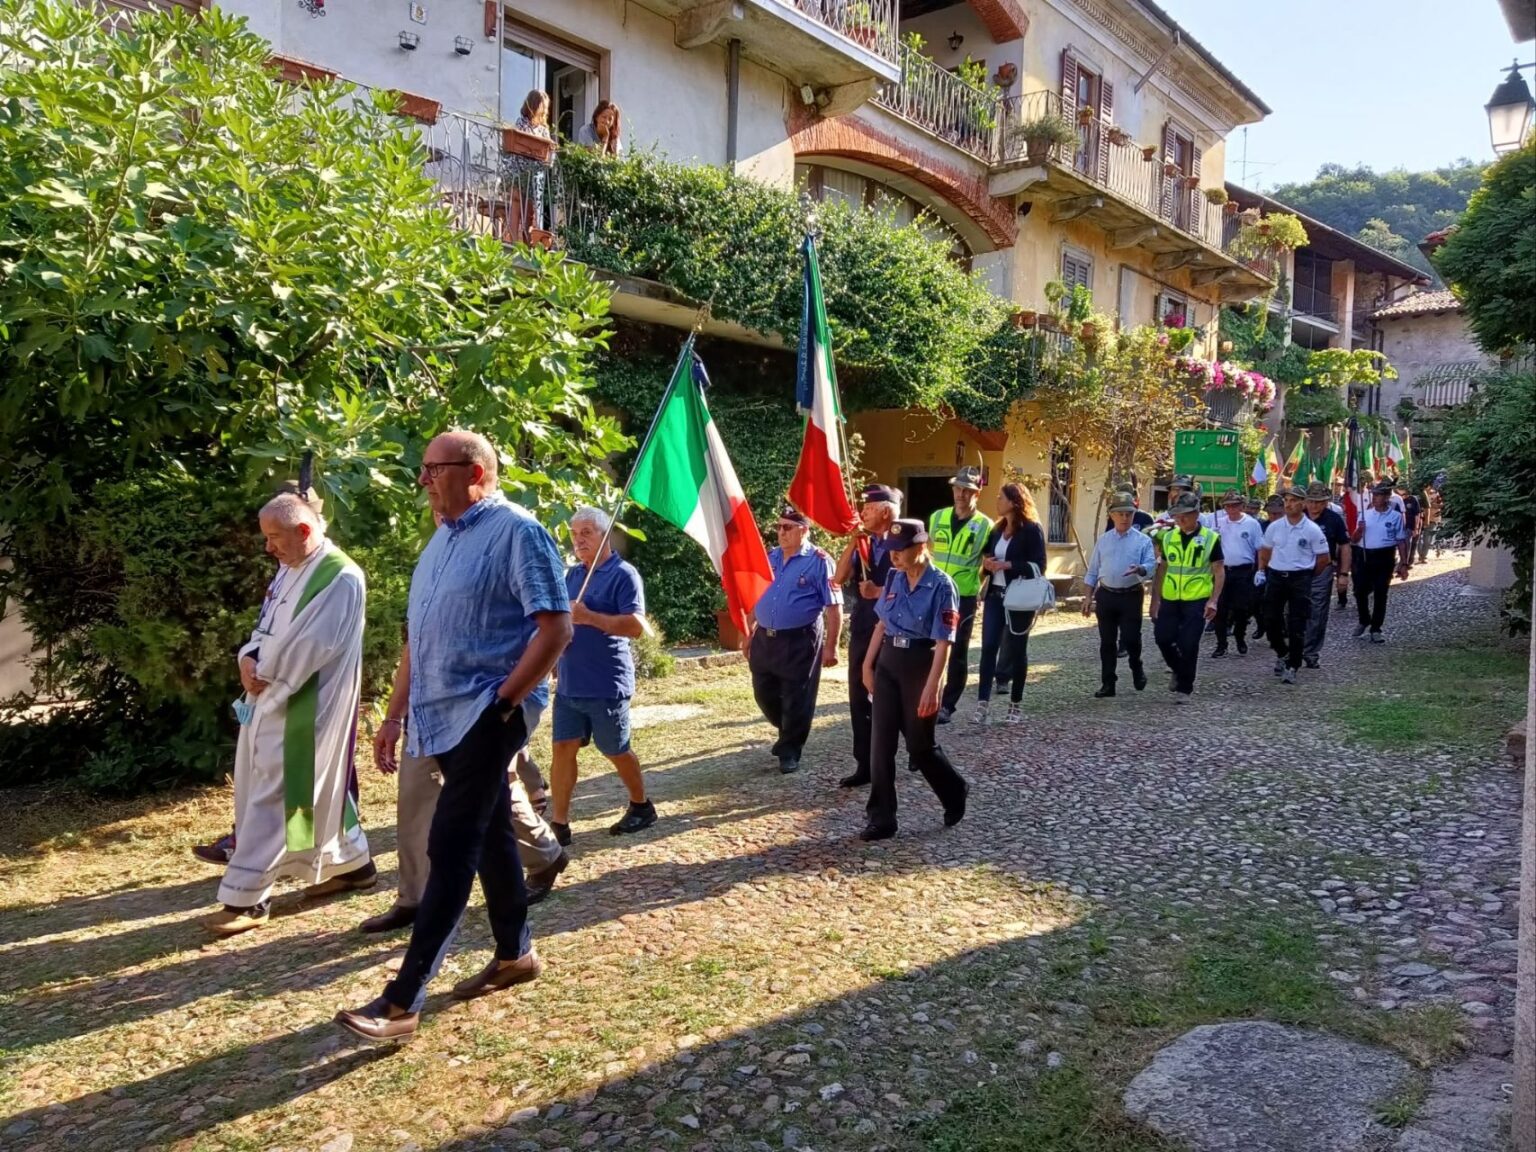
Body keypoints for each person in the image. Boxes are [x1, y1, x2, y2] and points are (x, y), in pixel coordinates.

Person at [336, 430, 572, 1042]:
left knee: (452, 840)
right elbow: (419, 639)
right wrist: (394, 716)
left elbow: (556, 629)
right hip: (437, 716)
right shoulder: (439, 542)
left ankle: (402, 999)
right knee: (492, 831)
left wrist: (506, 700)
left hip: (487, 711)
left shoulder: (518, 531)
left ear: (474, 472)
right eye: (423, 469)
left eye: (433, 469)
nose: (423, 480)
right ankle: (516, 954)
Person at [204, 494, 374, 934]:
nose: (268, 548)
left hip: (304, 702)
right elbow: (267, 627)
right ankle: (349, 864)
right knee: (307, 792)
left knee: (276, 794)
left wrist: (266, 675)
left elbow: (313, 647)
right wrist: (248, 656)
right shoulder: (288, 569)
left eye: (274, 538)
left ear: (303, 532)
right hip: (270, 692)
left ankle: (246, 897)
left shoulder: (341, 577)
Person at [359, 661, 570, 934]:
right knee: (414, 800)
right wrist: (392, 718)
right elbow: (415, 649)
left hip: (482, 703)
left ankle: (545, 855)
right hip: (425, 710)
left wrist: (509, 706)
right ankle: (414, 898)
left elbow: (549, 635)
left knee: (491, 796)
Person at [549, 506, 657, 842]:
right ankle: (560, 824)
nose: (578, 540)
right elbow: (564, 620)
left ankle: (641, 806)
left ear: (604, 535)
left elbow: (637, 627)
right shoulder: (572, 576)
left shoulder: (624, 575)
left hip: (606, 683)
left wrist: (590, 617)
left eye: (587, 533)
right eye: (574, 534)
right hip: (570, 683)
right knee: (562, 749)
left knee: (615, 749)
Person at [860, 519, 968, 842]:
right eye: (891, 550)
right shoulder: (894, 578)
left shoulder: (942, 585)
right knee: (880, 745)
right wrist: (867, 665)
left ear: (920, 548)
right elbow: (881, 624)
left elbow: (945, 641)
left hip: (921, 664)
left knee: (920, 747)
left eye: (900, 551)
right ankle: (882, 819)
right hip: (889, 664)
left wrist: (933, 686)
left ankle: (954, 790)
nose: (893, 557)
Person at [745, 505, 840, 775]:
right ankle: (788, 729)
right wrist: (748, 630)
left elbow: (834, 607)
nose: (781, 532)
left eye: (787, 527)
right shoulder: (769, 557)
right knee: (763, 692)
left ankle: (790, 750)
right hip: (766, 637)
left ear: (804, 530)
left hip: (800, 639)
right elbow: (754, 596)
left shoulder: (820, 561)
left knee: (798, 696)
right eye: (778, 527)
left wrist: (831, 647)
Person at [832, 484, 900, 789]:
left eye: (869, 509)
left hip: (896, 629)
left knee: (892, 696)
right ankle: (864, 763)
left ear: (886, 511)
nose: (863, 513)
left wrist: (879, 592)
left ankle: (910, 749)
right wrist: (851, 544)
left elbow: (915, 582)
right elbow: (838, 577)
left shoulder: (905, 539)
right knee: (859, 695)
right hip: (863, 627)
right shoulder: (864, 543)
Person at [973, 482, 1047, 724]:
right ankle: (982, 704)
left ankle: (1015, 704)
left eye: (1001, 497)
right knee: (988, 648)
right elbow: (986, 555)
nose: (997, 500)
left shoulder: (1031, 530)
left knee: (1016, 650)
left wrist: (1009, 565)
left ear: (1015, 502)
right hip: (995, 595)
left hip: (1019, 599)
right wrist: (988, 564)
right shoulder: (997, 529)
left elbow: (1039, 566)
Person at [928, 467, 993, 724]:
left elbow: (988, 561)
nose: (961, 494)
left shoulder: (986, 526)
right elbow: (926, 553)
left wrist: (983, 587)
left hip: (963, 596)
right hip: (934, 593)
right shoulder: (937, 517)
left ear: (977, 493)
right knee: (928, 647)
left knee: (956, 652)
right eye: (957, 488)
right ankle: (927, 696)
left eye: (967, 490)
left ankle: (947, 705)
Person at [1149, 493, 1224, 703]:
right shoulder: (1169, 537)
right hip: (1171, 597)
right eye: (1177, 516)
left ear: (1196, 514)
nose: (1180, 520)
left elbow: (1218, 570)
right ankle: (1177, 669)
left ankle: (1185, 687)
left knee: (1189, 643)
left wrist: (1214, 600)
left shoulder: (1211, 538)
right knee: (1162, 638)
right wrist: (1155, 599)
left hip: (1197, 598)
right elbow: (1162, 569)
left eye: (1185, 515)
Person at [1082, 490, 1156, 697]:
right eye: (1120, 513)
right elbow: (1093, 571)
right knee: (1107, 641)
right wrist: (1087, 597)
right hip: (1106, 595)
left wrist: (1140, 569)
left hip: (1131, 595)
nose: (1124, 518)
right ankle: (1108, 683)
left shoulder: (1142, 541)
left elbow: (1151, 565)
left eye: (1128, 514)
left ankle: (1136, 665)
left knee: (1132, 638)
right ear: (1112, 515)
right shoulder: (1104, 540)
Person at [1256, 486, 1329, 685]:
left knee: (1297, 623)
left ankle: (1293, 665)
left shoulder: (1311, 529)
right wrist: (1263, 570)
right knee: (1270, 619)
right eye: (1287, 500)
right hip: (1277, 576)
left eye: (1294, 500)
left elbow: (1323, 558)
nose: (1289, 504)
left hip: (1300, 578)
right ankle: (1283, 652)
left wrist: (1307, 575)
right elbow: (1265, 550)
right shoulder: (1275, 527)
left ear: (1303, 504)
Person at [1351, 480, 1410, 644]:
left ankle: (1376, 628)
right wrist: (1359, 530)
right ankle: (1364, 619)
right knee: (1359, 590)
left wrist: (1403, 563)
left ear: (1386, 497)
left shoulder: (1396, 517)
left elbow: (1401, 541)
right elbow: (1354, 540)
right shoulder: (1364, 514)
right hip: (1365, 555)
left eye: (1378, 495)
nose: (1375, 498)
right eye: (1374, 495)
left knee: (1380, 592)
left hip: (1385, 556)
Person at [1301, 481, 1351, 669]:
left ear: (1326, 502)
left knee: (1318, 611)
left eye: (1319, 502)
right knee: (1292, 611)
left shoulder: (1333, 519)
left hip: (1322, 570)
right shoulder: (1295, 517)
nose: (1315, 506)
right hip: (1297, 570)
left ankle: (1311, 651)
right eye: (1312, 501)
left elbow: (1344, 546)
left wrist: (1344, 574)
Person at [1211, 490, 1264, 658]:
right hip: (1222, 571)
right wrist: (1215, 537)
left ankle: (1240, 637)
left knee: (1242, 609)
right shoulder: (1218, 523)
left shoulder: (1251, 524)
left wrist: (1261, 570)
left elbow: (1261, 549)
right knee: (1220, 609)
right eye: (1228, 506)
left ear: (1242, 506)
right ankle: (1221, 644)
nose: (1231, 509)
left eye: (1235, 505)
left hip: (1243, 571)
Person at [1398, 482, 1423, 569]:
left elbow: (1417, 514)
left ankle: (1403, 565)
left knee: (1407, 546)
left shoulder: (1413, 499)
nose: (1402, 496)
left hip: (1410, 525)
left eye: (1404, 494)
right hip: (1400, 526)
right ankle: (1403, 563)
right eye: (1400, 494)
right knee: (1404, 546)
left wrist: (1416, 528)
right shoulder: (1398, 500)